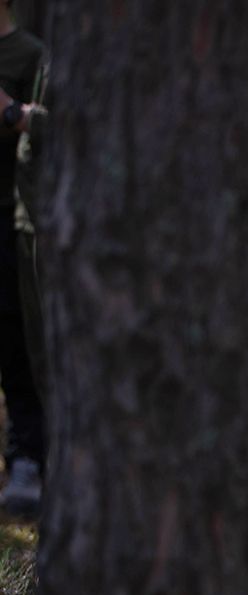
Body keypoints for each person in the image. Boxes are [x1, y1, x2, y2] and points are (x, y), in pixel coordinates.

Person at [0, 2, 43, 516]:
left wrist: (12, 111)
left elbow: (55, 127)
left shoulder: (30, 55)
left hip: (9, 218)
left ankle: (27, 459)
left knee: (15, 341)